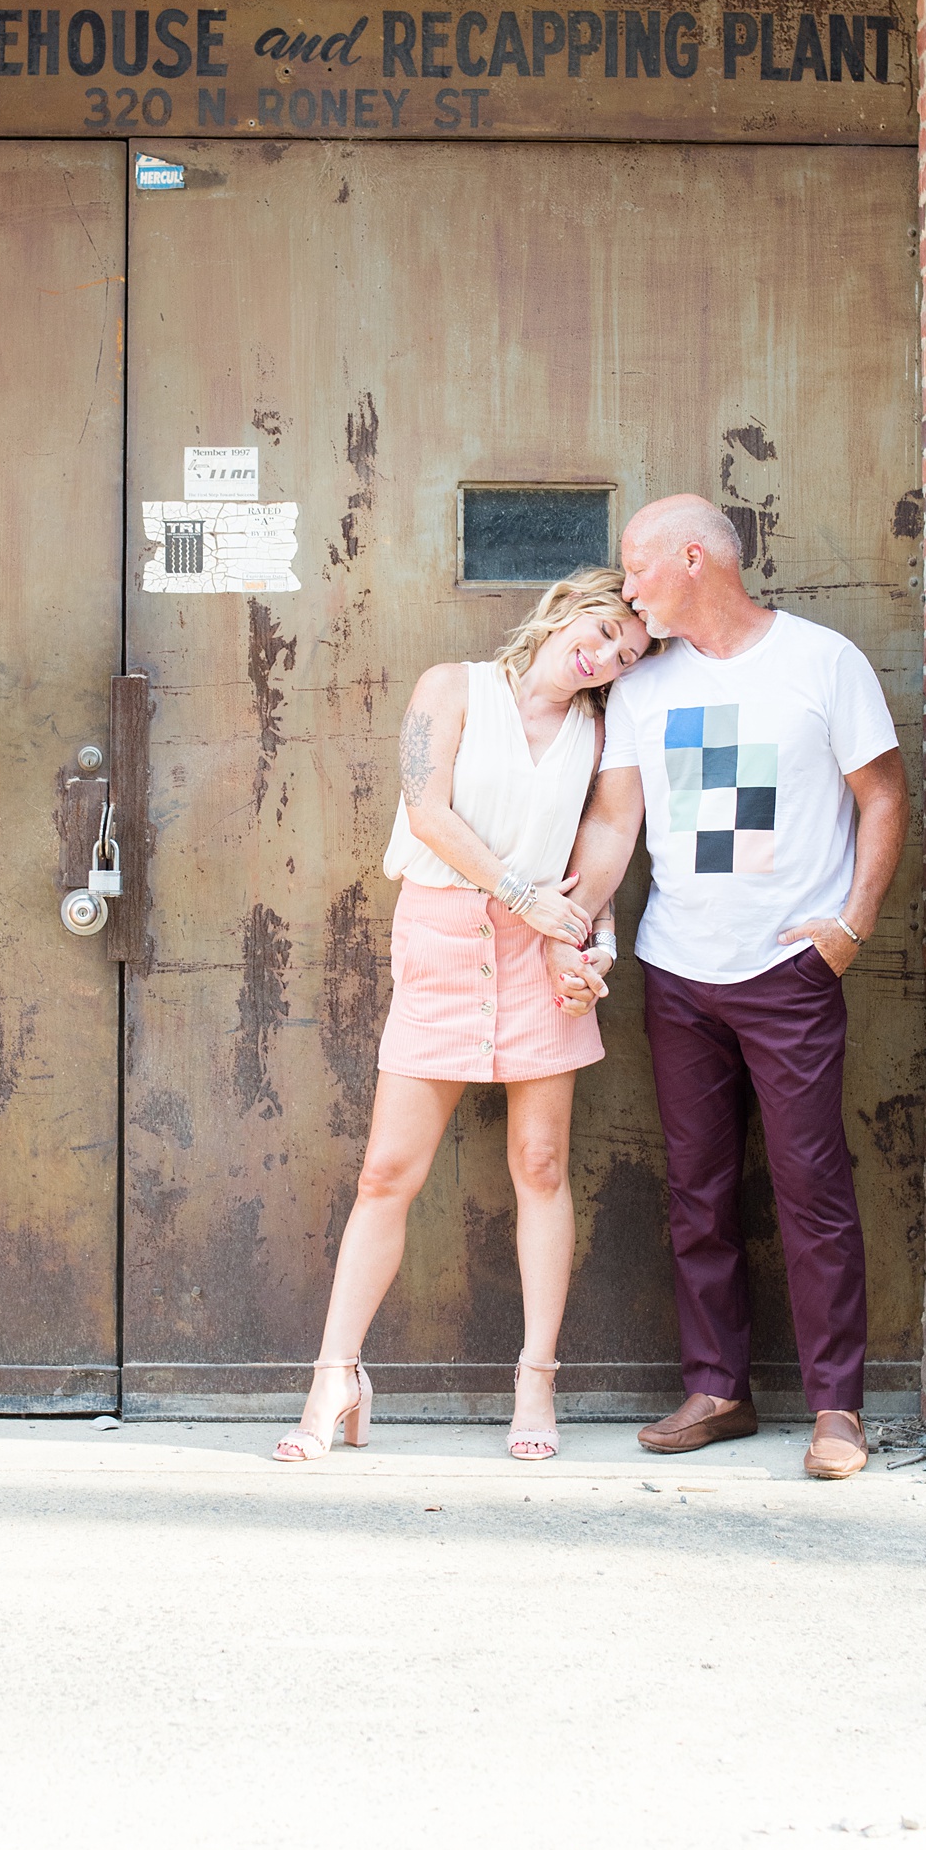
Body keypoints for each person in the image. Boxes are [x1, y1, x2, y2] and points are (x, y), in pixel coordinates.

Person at [549, 495, 909, 1482]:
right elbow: (616, 825)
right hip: (676, 971)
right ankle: (717, 1388)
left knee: (813, 1191)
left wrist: (851, 923)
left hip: (787, 971)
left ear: (697, 559)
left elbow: (881, 795)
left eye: (638, 569)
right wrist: (570, 921)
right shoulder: (641, 688)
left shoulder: (818, 662)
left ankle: (837, 1409)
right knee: (696, 1195)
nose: (627, 591)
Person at [275, 570, 655, 1466]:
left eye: (626, 656)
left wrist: (588, 934)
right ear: (568, 608)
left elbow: (607, 837)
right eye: (602, 631)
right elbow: (427, 811)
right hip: (444, 936)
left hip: (542, 951)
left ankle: (536, 1379)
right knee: (387, 1172)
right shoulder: (452, 688)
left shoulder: (598, 730)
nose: (603, 656)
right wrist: (526, 897)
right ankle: (336, 1376)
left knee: (541, 1162)